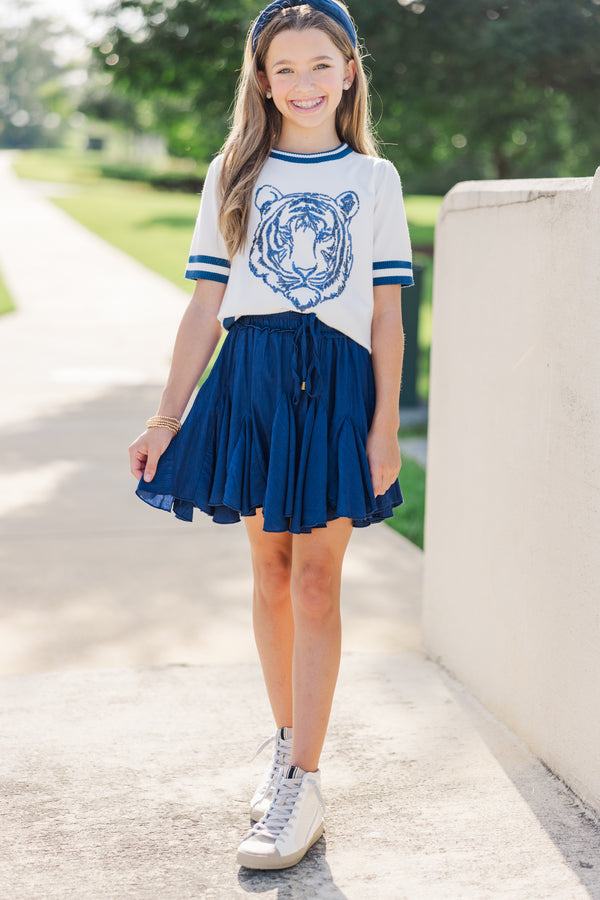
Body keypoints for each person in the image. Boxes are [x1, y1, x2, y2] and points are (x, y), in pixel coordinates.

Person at [128, 0, 413, 871]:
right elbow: (207, 305)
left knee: (319, 582)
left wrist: (384, 427)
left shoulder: (375, 180)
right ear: (261, 78)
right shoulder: (234, 170)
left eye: (320, 65)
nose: (303, 84)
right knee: (271, 568)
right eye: (284, 68)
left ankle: (307, 784)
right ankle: (288, 747)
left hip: (334, 389)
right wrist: (167, 415)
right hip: (251, 383)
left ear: (350, 70)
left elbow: (389, 316)